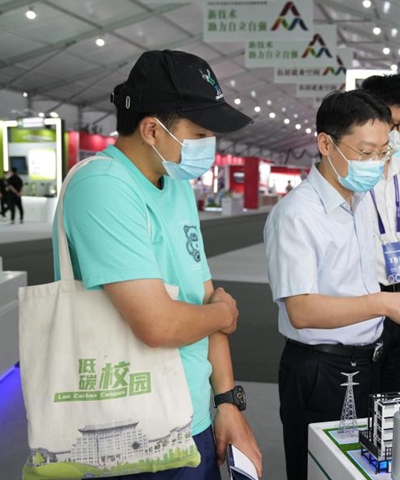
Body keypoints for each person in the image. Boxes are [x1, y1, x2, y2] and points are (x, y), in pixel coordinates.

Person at [52, 50, 262, 479]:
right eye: (200, 131)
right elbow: (159, 325)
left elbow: (204, 295)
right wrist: (221, 314)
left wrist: (226, 402)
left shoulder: (176, 185)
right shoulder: (103, 187)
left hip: (192, 419)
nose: (209, 144)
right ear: (152, 129)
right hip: (128, 434)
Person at [264, 90, 400, 480]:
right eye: (365, 152)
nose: (376, 164)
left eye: (382, 152)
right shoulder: (297, 215)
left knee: (359, 470)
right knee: (315, 469)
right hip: (320, 369)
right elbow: (302, 309)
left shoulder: (359, 202)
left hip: (365, 361)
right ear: (326, 143)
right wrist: (384, 304)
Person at [360, 73, 400, 393]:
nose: (398, 133)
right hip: (363, 297)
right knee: (359, 396)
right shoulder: (353, 174)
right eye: (391, 123)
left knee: (396, 395)